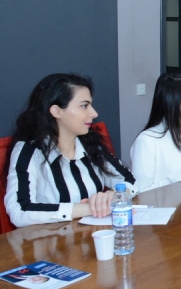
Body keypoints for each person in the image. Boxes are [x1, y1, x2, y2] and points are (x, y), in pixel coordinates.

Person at [3, 73, 137, 228]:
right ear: (57, 111)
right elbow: (20, 211)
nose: (94, 113)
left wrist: (112, 196)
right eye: (84, 106)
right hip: (51, 239)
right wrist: (90, 208)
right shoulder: (29, 151)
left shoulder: (91, 143)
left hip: (92, 233)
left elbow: (130, 181)